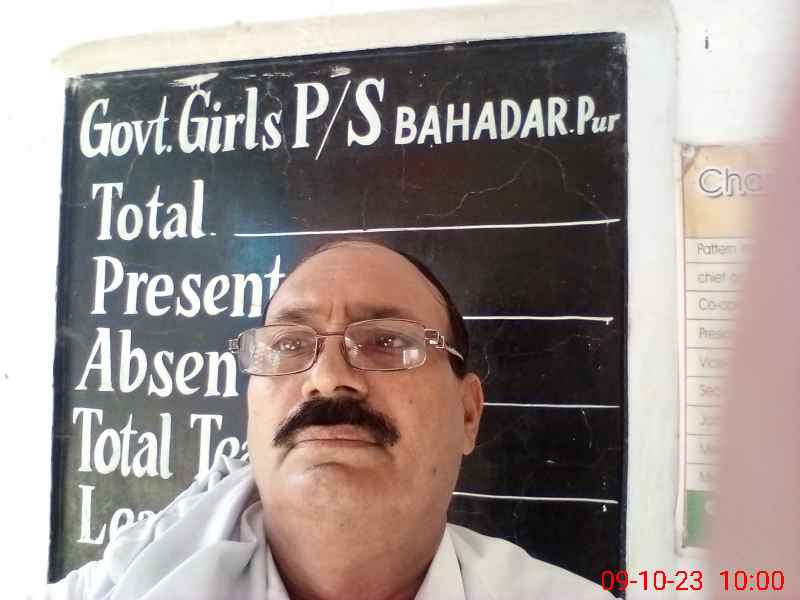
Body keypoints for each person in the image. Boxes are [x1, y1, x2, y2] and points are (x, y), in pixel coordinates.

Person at [43, 238, 614, 600]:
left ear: (467, 414)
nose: (326, 377)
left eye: (388, 340)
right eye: (290, 344)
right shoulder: (118, 588)